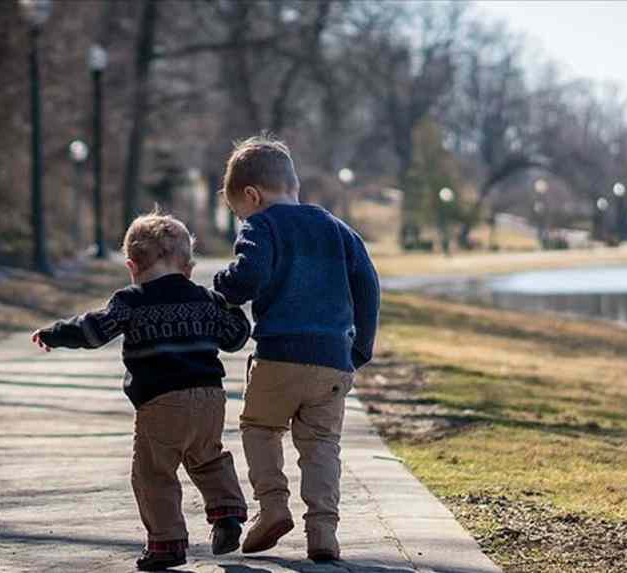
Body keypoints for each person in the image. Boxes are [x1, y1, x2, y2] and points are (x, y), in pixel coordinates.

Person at [32, 212, 250, 571]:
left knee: (154, 473)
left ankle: (166, 543)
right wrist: (232, 305)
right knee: (208, 457)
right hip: (210, 399)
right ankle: (227, 514)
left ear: (132, 266)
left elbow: (93, 331)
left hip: (161, 401)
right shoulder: (205, 299)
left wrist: (56, 334)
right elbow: (236, 337)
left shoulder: (130, 301)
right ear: (189, 267)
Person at [213, 135, 381, 562]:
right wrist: (360, 347)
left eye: (239, 212)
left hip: (279, 355)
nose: (242, 219)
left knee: (260, 428)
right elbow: (369, 286)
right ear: (294, 186)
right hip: (332, 361)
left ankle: (272, 507)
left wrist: (223, 286)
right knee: (322, 444)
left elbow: (248, 278)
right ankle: (323, 532)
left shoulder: (261, 226)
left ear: (252, 196)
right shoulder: (338, 229)